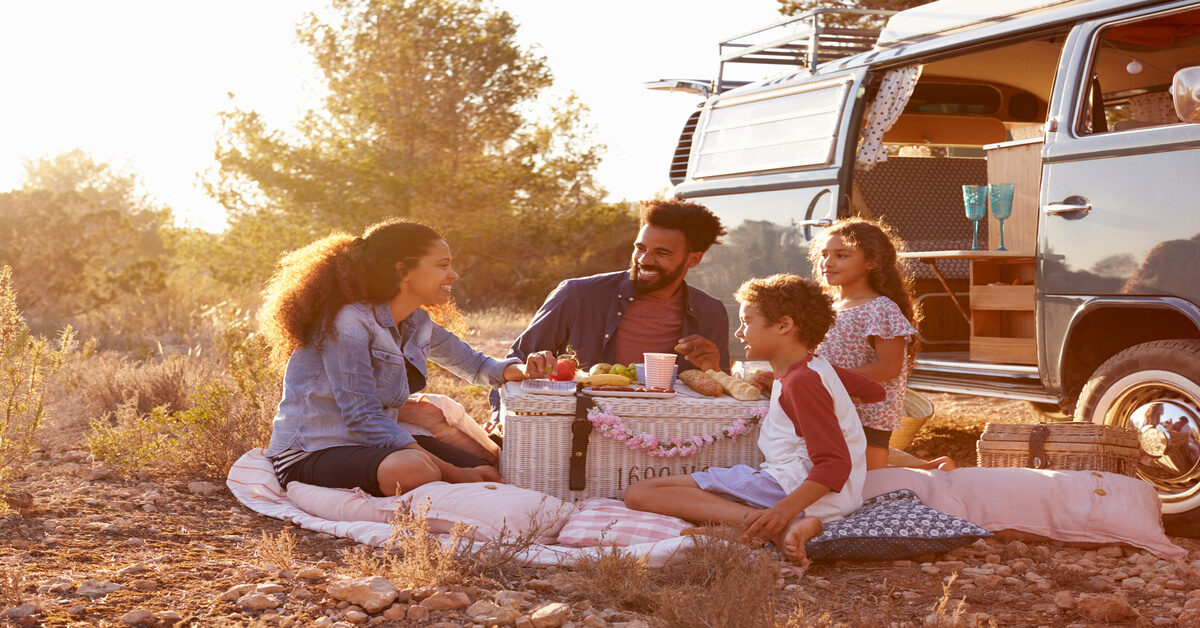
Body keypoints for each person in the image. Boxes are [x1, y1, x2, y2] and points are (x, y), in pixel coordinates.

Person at [260, 218, 556, 497]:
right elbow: (362, 415)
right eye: (442, 265)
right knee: (414, 469)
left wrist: (524, 369)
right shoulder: (349, 322)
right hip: (312, 450)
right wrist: (453, 473)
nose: (454, 275)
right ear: (402, 271)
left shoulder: (417, 322)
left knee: (485, 466)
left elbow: (476, 365)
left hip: (370, 444)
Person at [624, 274, 885, 566]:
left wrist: (781, 513)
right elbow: (874, 391)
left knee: (639, 493)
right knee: (665, 492)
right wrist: (799, 389)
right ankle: (778, 520)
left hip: (793, 489)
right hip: (827, 496)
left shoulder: (802, 383)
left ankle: (768, 526)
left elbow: (835, 464)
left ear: (784, 326)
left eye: (746, 321)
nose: (739, 332)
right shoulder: (813, 369)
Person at [488, 199, 731, 423]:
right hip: (580, 428)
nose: (644, 259)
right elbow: (514, 363)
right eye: (640, 247)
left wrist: (715, 369)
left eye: (662, 252)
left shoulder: (711, 311)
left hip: (666, 432)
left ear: (694, 260)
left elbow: (721, 394)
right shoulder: (577, 294)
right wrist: (500, 421)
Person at [811, 217, 955, 471]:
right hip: (832, 407)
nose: (828, 262)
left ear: (872, 262)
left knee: (872, 484)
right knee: (840, 475)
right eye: (824, 254)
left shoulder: (880, 309)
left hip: (867, 414)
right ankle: (930, 467)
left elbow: (889, 366)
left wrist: (828, 378)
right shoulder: (826, 308)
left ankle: (934, 472)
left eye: (841, 255)